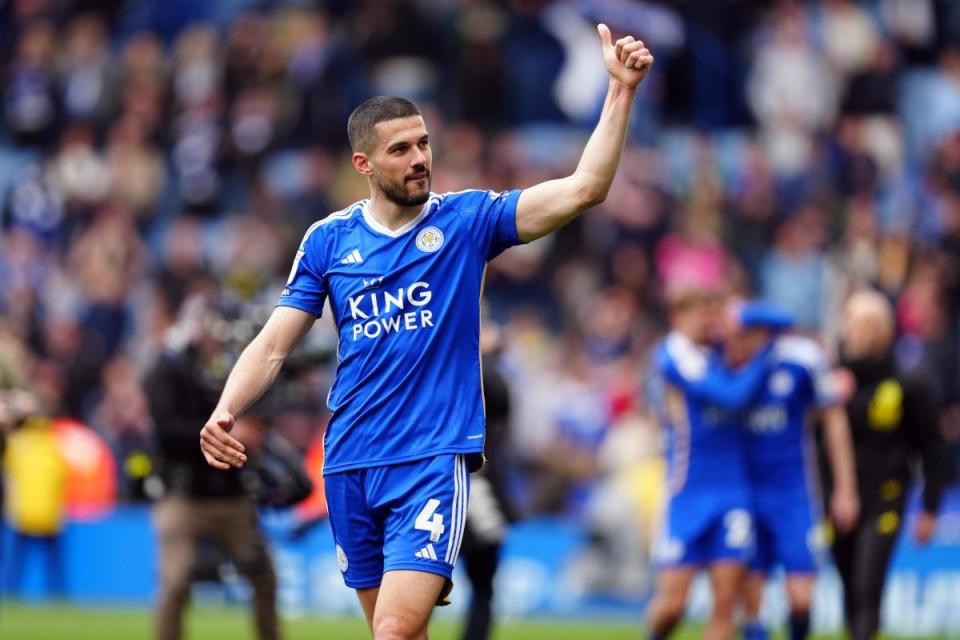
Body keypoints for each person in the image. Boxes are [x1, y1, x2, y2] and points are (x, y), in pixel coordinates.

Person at [199, 23, 654, 640]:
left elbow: (584, 189)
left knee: (393, 631)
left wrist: (620, 93)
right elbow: (275, 344)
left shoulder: (468, 220)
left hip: (431, 460)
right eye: (400, 150)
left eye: (424, 144)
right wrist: (226, 408)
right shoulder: (329, 240)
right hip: (350, 461)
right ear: (363, 163)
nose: (419, 159)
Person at [145, 294, 278, 640]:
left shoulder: (238, 366)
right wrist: (224, 432)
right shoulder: (167, 369)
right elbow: (167, 431)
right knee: (173, 583)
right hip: (183, 495)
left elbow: (268, 411)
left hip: (232, 496)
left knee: (264, 578)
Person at [724, 300, 859, 640]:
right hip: (744, 494)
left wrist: (845, 487)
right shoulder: (723, 365)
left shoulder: (801, 358)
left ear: (760, 333)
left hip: (793, 493)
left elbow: (833, 418)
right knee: (750, 603)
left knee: (801, 599)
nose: (734, 343)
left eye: (742, 334)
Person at [645, 288, 774, 640]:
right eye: (700, 313)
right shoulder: (673, 353)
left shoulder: (724, 352)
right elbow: (730, 397)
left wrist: (741, 320)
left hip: (733, 491)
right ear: (678, 318)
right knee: (673, 605)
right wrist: (766, 352)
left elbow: (770, 317)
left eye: (712, 313)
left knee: (725, 603)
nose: (708, 321)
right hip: (687, 491)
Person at [830, 289, 948, 640]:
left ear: (885, 331)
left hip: (887, 495)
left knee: (869, 584)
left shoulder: (909, 382)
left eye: (868, 324)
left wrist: (929, 507)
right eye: (852, 323)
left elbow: (932, 447)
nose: (858, 332)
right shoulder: (830, 381)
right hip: (836, 498)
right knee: (849, 585)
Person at [458, 324, 518, 640]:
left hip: (478, 483)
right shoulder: (466, 369)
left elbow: (497, 395)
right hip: (462, 483)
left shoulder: (490, 380)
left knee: (483, 585)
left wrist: (480, 353)